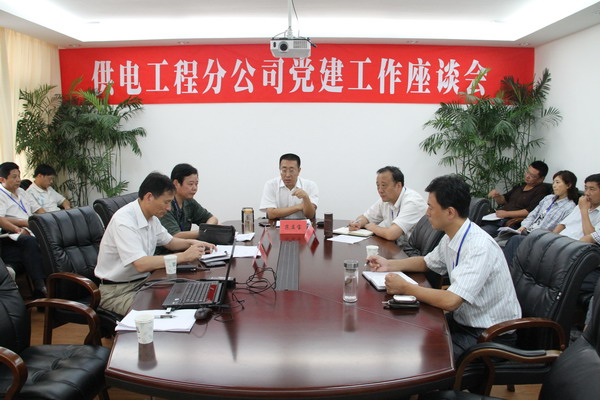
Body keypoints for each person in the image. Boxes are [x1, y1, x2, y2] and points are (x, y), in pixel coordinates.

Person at [367, 175, 521, 359]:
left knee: (418, 354)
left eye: (431, 207)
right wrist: (389, 264)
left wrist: (406, 287)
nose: (427, 213)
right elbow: (426, 262)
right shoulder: (452, 236)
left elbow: (451, 301)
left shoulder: (478, 246)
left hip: (489, 335)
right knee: (410, 333)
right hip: (463, 321)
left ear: (450, 212)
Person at [94, 172, 215, 315]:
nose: (169, 208)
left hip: (144, 282)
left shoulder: (151, 217)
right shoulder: (124, 221)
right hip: (118, 292)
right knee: (166, 313)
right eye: (166, 202)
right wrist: (184, 256)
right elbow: (141, 264)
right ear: (149, 197)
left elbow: (170, 242)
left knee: (188, 296)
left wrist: (193, 243)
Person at [502, 170, 578, 265]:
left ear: (568, 185)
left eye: (557, 182)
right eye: (553, 182)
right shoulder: (548, 198)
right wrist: (523, 227)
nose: (554, 185)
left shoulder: (570, 207)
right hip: (527, 231)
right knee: (500, 239)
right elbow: (533, 214)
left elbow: (559, 230)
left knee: (514, 240)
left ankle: (505, 269)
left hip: (540, 239)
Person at [0, 162, 48, 297]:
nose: (18, 180)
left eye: (19, 176)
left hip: (31, 228)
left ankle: (54, 283)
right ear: (2, 179)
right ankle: (40, 285)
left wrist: (50, 221)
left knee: (50, 241)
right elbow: (0, 219)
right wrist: (19, 226)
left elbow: (38, 209)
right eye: (14, 177)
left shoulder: (22, 192)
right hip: (11, 233)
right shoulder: (1, 195)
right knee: (29, 242)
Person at [349, 166, 426, 247]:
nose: (380, 190)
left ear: (398, 185)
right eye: (378, 185)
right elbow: (366, 217)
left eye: (383, 185)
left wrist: (371, 227)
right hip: (397, 248)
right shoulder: (386, 200)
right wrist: (357, 223)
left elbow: (391, 234)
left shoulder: (412, 202)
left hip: (412, 251)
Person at [483, 161, 551, 237]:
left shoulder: (541, 191)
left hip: (511, 223)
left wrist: (506, 214)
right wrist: (497, 196)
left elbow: (529, 212)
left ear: (541, 179)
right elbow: (503, 201)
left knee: (482, 232)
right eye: (527, 172)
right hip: (498, 219)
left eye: (532, 176)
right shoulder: (521, 185)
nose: (527, 176)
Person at [158, 163, 217, 245]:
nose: (195, 188)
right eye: (190, 184)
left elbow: (212, 218)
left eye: (196, 184)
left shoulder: (189, 202)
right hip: (167, 251)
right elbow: (174, 236)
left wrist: (207, 229)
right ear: (176, 183)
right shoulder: (166, 205)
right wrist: (205, 231)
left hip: (185, 248)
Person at [259, 153, 318, 220]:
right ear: (279, 169)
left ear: (299, 171)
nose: (287, 175)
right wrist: (299, 207)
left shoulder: (310, 185)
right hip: (277, 226)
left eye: (291, 171)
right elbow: (271, 214)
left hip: (302, 225)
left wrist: (306, 198)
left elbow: (310, 215)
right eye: (284, 171)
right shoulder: (271, 185)